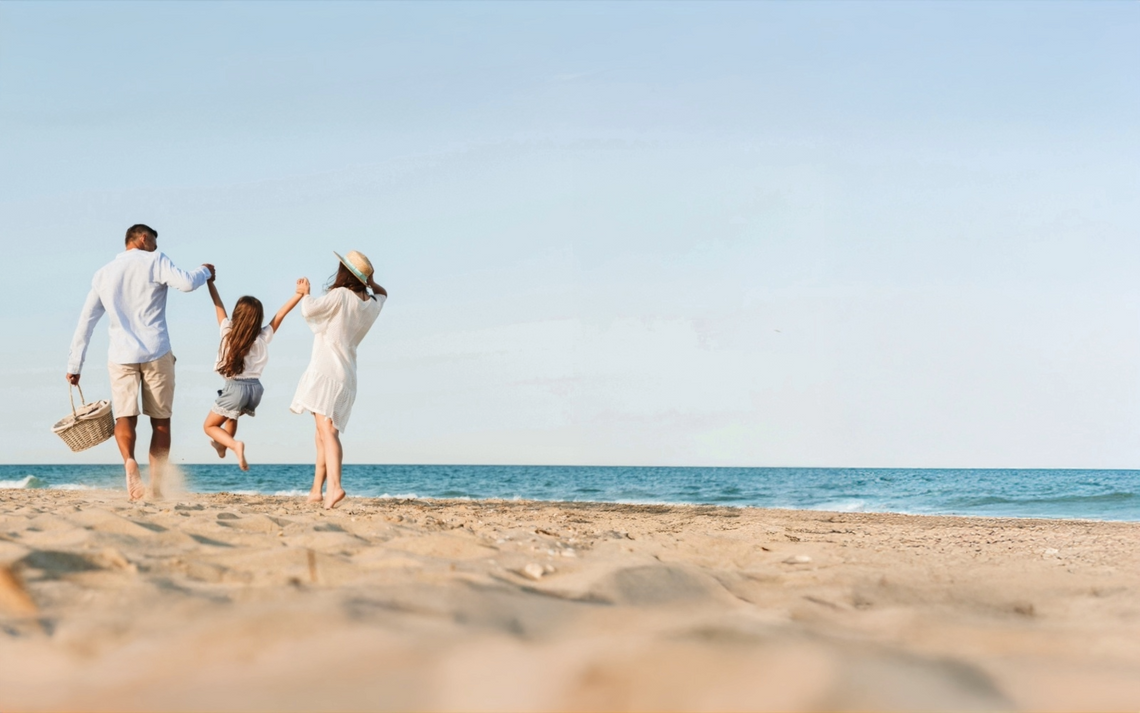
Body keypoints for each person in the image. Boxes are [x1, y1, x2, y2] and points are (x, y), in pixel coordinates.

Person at [66, 224, 214, 500]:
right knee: (161, 422)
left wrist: (75, 365)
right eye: (154, 242)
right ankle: (157, 488)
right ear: (143, 238)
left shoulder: (103, 273)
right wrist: (204, 270)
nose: (155, 248)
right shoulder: (155, 260)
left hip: (120, 355)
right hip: (156, 351)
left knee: (124, 417)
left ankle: (129, 462)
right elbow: (187, 283)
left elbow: (85, 322)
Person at [291, 251, 387, 509]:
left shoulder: (340, 295)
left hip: (326, 371)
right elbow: (384, 292)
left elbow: (309, 309)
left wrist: (305, 291)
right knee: (322, 433)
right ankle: (315, 490)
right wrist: (370, 280)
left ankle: (334, 487)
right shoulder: (371, 303)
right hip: (348, 376)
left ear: (344, 272)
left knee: (327, 432)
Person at [203, 275, 308, 471]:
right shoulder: (262, 336)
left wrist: (210, 283)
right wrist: (298, 295)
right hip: (255, 390)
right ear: (257, 319)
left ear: (236, 315)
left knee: (209, 426)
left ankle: (234, 445)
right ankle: (222, 445)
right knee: (231, 417)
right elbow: (279, 316)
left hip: (236, 388)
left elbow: (218, 305)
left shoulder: (227, 331)